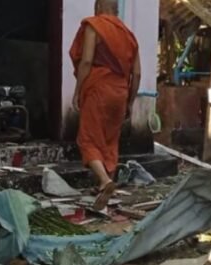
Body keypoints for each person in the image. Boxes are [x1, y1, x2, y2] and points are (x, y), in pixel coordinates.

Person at [69, 0, 140, 210]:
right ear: (116, 10)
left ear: (99, 7)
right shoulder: (129, 35)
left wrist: (78, 90)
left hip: (99, 88)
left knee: (88, 139)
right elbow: (137, 73)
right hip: (120, 92)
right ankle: (103, 186)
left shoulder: (94, 25)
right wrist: (130, 101)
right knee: (109, 139)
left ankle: (105, 180)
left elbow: (86, 61)